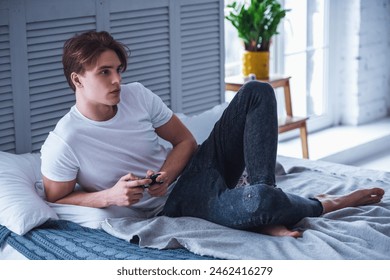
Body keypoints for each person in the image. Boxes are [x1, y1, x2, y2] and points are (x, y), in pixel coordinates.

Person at [41, 31, 385, 237]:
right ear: (77, 79)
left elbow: (185, 141)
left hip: (195, 169)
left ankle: (264, 191)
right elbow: (55, 199)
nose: (117, 80)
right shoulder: (65, 141)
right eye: (105, 72)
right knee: (259, 203)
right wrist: (110, 197)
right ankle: (323, 202)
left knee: (257, 91)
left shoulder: (137, 94)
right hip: (175, 206)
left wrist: (167, 173)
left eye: (118, 70)